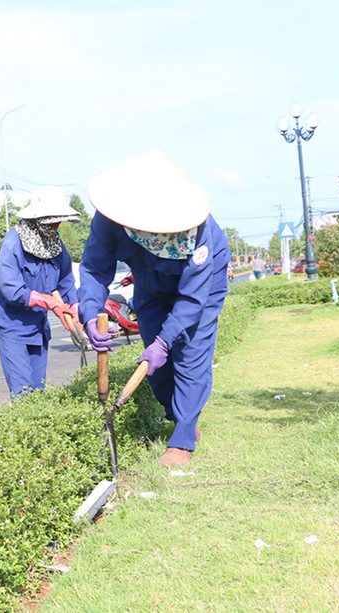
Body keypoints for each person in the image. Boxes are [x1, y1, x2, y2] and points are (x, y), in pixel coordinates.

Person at [78, 151, 230, 468]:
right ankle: (178, 416)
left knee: (190, 352)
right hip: (149, 284)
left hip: (202, 286)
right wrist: (90, 314)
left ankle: (183, 439)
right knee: (156, 364)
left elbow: (192, 300)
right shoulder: (110, 218)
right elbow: (93, 269)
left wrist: (166, 341)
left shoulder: (199, 231)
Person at [0, 186, 81, 396]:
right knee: (23, 392)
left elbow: (65, 281)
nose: (56, 225)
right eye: (51, 220)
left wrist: (74, 307)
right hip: (12, 327)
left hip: (38, 326)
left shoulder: (55, 243)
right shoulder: (13, 244)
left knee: (39, 392)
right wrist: (50, 303)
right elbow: (11, 290)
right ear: (37, 218)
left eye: (58, 220)